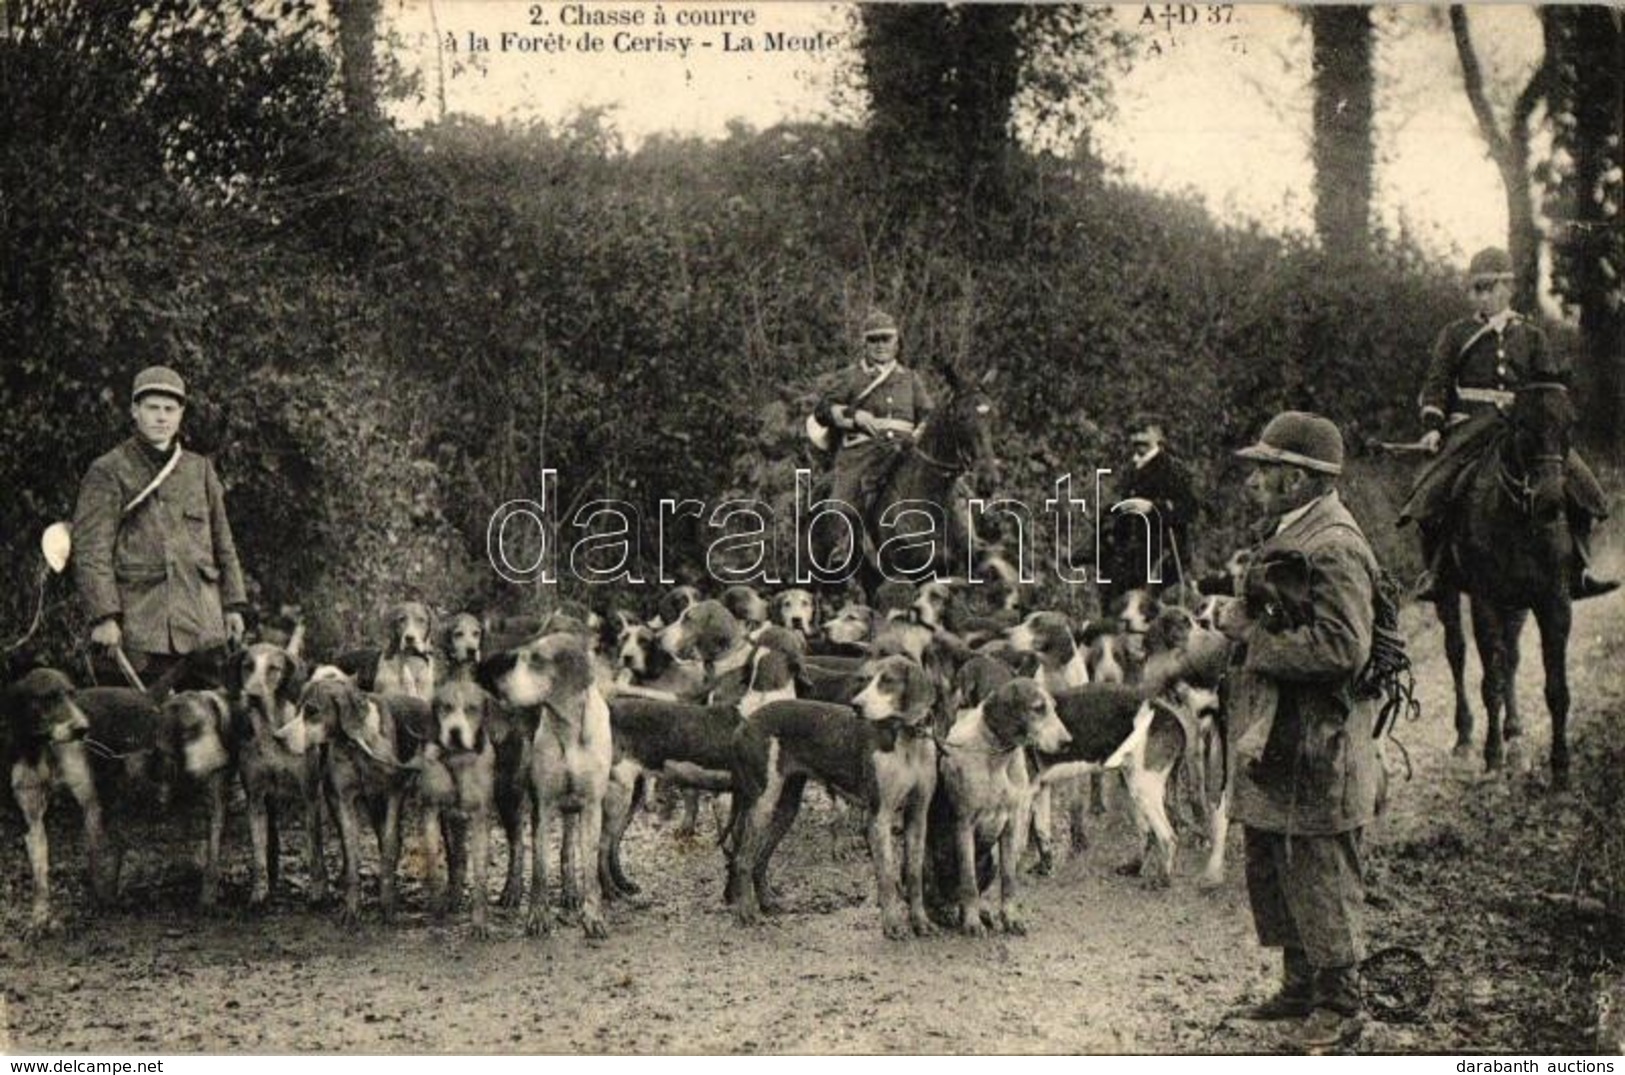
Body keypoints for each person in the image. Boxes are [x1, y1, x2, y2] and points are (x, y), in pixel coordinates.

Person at [1217, 410, 1383, 1051]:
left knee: (1316, 862)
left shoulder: (1333, 544)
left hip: (1318, 737)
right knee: (1276, 856)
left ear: (1298, 478)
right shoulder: (1297, 529)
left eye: (1265, 469)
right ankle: (1298, 988)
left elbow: (1344, 647)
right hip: (1283, 735)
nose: (1254, 480)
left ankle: (1341, 1004)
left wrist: (1250, 638)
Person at [1403, 246, 1616, 601]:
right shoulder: (1455, 334)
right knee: (1430, 491)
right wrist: (1432, 426)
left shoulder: (1531, 335)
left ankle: (1579, 568)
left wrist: (1549, 420)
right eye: (1475, 289)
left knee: (1580, 486)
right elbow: (1436, 384)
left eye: (1488, 287)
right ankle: (1437, 573)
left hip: (1525, 427)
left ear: (1507, 288)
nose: (1480, 296)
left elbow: (1550, 387)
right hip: (1470, 426)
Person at [71, 365, 247, 685]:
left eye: (170, 409)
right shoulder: (109, 470)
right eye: (152, 408)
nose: (161, 418)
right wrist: (104, 616)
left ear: (180, 415)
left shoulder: (199, 470)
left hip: (201, 627)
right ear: (135, 411)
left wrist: (233, 604)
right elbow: (91, 549)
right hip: (140, 627)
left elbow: (223, 541)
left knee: (204, 721)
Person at [1108, 413, 1198, 593]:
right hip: (1130, 558)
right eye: (1134, 433)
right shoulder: (1128, 470)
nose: (1138, 439)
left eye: (1144, 432)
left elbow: (1189, 509)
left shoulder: (1172, 468)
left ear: (1158, 435)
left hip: (1163, 557)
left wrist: (1152, 508)